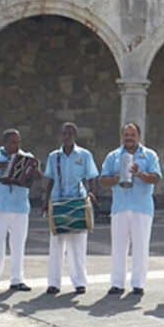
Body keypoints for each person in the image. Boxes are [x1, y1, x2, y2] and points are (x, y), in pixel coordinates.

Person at [99, 122, 161, 296]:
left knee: (141, 247)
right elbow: (103, 180)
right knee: (118, 247)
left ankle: (138, 284)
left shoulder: (149, 155)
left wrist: (140, 174)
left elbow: (156, 178)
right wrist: (116, 178)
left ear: (139, 137)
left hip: (141, 207)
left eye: (132, 135)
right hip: (120, 207)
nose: (129, 138)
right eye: (126, 135)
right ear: (122, 137)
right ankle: (117, 283)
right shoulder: (113, 156)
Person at [0, 129, 40, 294]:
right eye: (12, 142)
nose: (16, 145)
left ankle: (17, 279)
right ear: (5, 142)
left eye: (18, 142)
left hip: (19, 206)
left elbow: (37, 177)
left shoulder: (26, 156)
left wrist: (34, 170)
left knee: (18, 244)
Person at [43, 122, 98, 295]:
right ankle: (54, 283)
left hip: (77, 202)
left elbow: (91, 177)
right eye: (64, 134)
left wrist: (92, 193)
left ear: (75, 135)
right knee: (56, 245)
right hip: (58, 201)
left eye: (70, 133)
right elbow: (50, 179)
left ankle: (79, 282)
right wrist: (46, 201)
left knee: (78, 246)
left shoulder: (84, 155)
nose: (66, 136)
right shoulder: (54, 157)